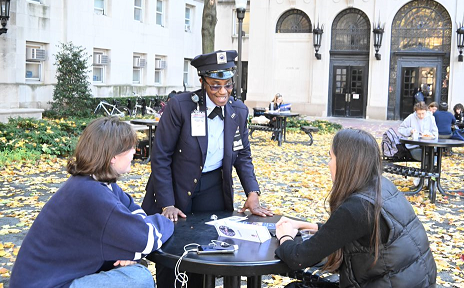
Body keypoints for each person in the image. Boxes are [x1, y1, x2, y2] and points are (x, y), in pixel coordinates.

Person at [142, 50, 273, 287]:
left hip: (213, 186)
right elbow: (161, 157)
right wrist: (167, 203)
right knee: (172, 258)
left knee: (206, 252)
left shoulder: (239, 110)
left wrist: (252, 194)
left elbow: (242, 155)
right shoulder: (180, 106)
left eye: (227, 85)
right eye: (215, 86)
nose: (222, 92)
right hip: (176, 187)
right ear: (202, 82)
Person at [10, 117, 174, 288]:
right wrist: (166, 220)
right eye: (131, 147)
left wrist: (132, 247)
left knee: (131, 265)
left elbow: (133, 211)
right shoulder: (93, 195)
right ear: (112, 157)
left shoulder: (94, 183)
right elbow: (146, 239)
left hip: (49, 278)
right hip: (47, 285)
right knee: (140, 278)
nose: (135, 151)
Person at [275, 129, 437, 288]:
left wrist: (285, 237)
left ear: (346, 162)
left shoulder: (358, 207)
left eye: (331, 157)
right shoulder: (382, 187)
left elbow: (298, 258)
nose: (328, 163)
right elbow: (344, 231)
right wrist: (307, 226)